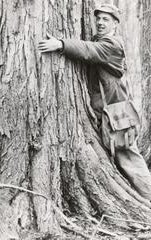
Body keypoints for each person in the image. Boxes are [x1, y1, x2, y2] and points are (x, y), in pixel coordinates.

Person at [38, 4, 151, 201]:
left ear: (115, 23)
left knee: (129, 160)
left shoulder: (112, 44)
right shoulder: (100, 41)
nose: (100, 22)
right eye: (98, 18)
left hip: (118, 115)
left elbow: (90, 51)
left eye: (106, 19)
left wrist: (61, 44)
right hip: (108, 114)